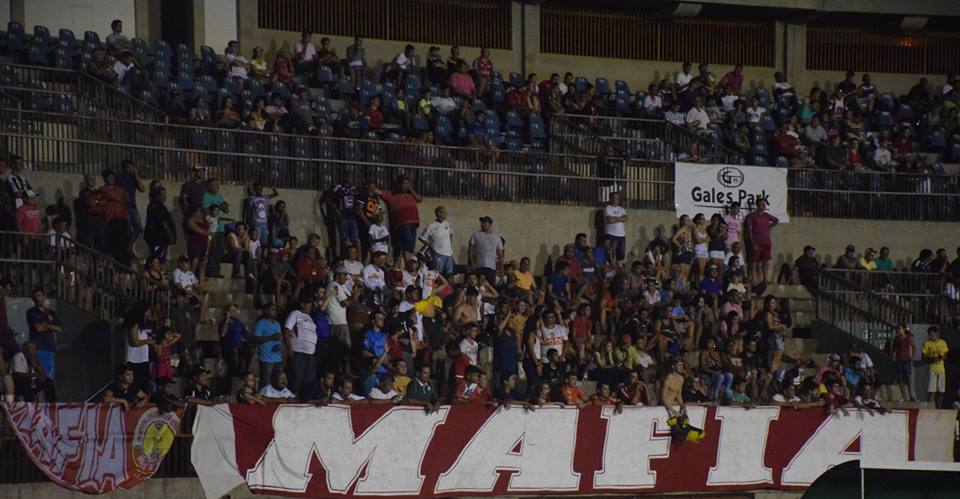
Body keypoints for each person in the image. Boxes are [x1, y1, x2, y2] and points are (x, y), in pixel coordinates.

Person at [377, 176, 422, 259]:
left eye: (408, 183)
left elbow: (419, 199)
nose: (406, 185)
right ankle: (407, 262)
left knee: (411, 246)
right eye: (404, 183)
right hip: (403, 223)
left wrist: (411, 190)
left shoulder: (411, 195)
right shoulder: (391, 194)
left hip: (413, 223)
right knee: (407, 245)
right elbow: (378, 192)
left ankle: (407, 262)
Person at [283, 293, 318, 395]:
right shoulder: (295, 313)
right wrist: (289, 348)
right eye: (309, 303)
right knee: (297, 377)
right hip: (298, 351)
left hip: (310, 353)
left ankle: (306, 399)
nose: (311, 305)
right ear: (302, 304)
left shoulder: (310, 317)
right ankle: (294, 398)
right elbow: (286, 330)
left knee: (309, 378)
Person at [26, 288, 60, 380]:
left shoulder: (52, 313)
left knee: (49, 378)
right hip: (37, 349)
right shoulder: (31, 312)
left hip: (49, 349)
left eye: (39, 295)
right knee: (37, 379)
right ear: (33, 299)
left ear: (44, 297)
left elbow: (59, 329)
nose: (37, 298)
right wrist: (51, 326)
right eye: (35, 296)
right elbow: (38, 328)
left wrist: (45, 324)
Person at [743, 199, 779, 286]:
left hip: (766, 241)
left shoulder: (767, 215)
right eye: (761, 204)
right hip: (756, 241)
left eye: (764, 204)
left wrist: (770, 226)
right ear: (757, 205)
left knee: (765, 260)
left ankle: (765, 279)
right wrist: (752, 242)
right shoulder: (751, 216)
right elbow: (749, 231)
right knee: (753, 261)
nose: (763, 205)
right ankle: (752, 278)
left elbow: (776, 220)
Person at [419, 206, 455, 277]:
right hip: (438, 254)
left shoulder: (447, 224)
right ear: (438, 213)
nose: (446, 214)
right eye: (444, 212)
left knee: (450, 275)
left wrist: (449, 243)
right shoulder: (431, 226)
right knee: (438, 275)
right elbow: (421, 237)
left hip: (449, 254)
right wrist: (429, 246)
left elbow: (451, 233)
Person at [468, 216, 504, 285]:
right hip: (479, 266)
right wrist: (472, 263)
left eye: (484, 222)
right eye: (482, 223)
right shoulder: (476, 234)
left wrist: (501, 268)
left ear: (490, 225)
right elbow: (470, 250)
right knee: (478, 286)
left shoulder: (497, 237)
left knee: (490, 287)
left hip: (491, 267)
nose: (482, 224)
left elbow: (500, 254)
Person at [921, 326, 948, 408]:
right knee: (931, 390)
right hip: (932, 369)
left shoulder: (942, 343)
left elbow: (946, 355)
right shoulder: (927, 343)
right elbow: (923, 356)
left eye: (932, 334)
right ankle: (930, 407)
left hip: (941, 369)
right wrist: (931, 358)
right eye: (929, 335)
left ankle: (938, 408)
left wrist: (940, 357)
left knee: (940, 391)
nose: (931, 336)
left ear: (936, 334)